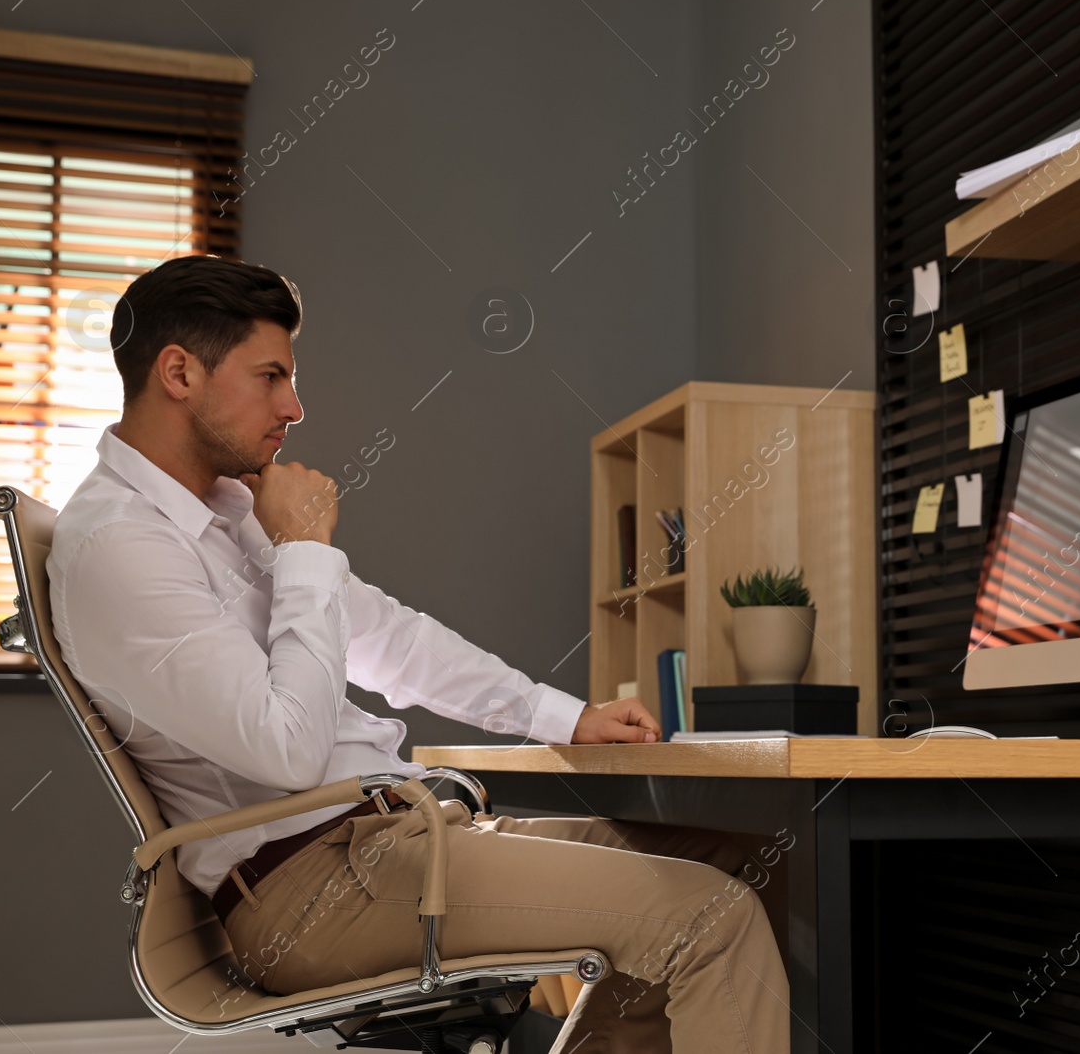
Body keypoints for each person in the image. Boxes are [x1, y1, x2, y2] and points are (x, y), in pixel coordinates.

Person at [47, 254, 790, 1053]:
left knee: (748, 861)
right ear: (178, 371)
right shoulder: (119, 547)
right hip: (318, 889)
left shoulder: (225, 511)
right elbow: (287, 746)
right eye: (270, 376)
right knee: (710, 920)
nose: (294, 405)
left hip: (393, 840)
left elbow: (387, 637)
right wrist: (301, 550)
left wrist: (563, 715)